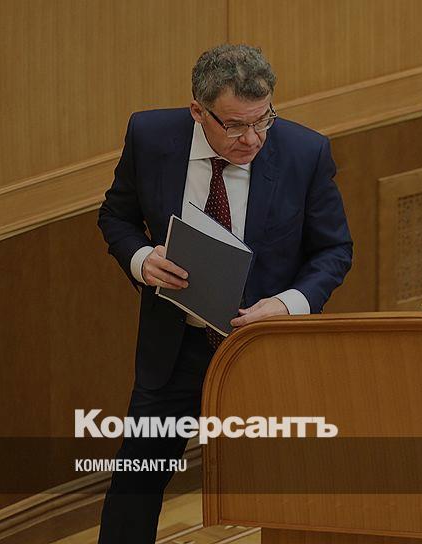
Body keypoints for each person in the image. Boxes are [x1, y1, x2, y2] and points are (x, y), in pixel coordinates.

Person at [95, 44, 353, 543]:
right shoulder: (150, 137)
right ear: (199, 111)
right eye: (235, 126)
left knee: (297, 483)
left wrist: (287, 305)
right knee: (136, 482)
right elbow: (116, 217)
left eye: (263, 120)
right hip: (176, 348)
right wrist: (141, 259)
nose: (252, 139)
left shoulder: (305, 152)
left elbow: (335, 250)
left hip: (264, 347)